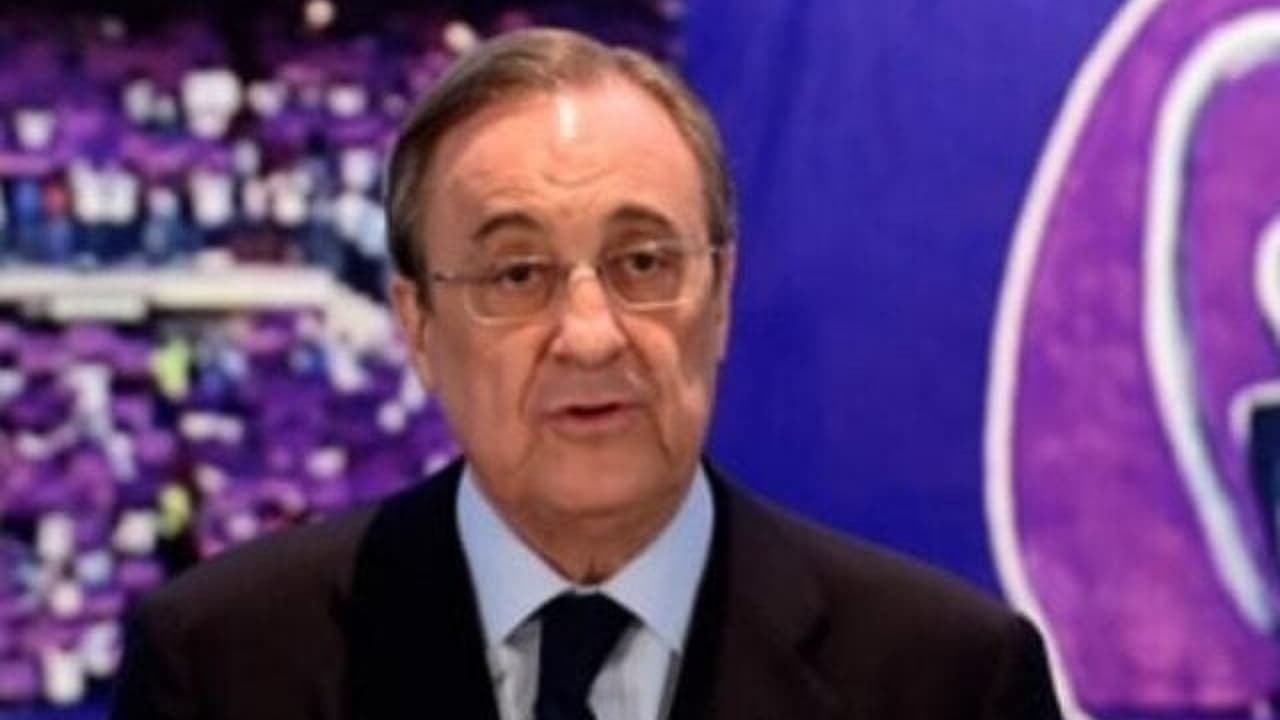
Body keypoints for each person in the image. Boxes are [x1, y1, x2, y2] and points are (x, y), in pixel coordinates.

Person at [111, 27, 1063, 720]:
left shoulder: (949, 679)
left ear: (721, 296)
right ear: (418, 325)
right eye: (516, 274)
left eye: (643, 263)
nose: (591, 335)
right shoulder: (222, 667)